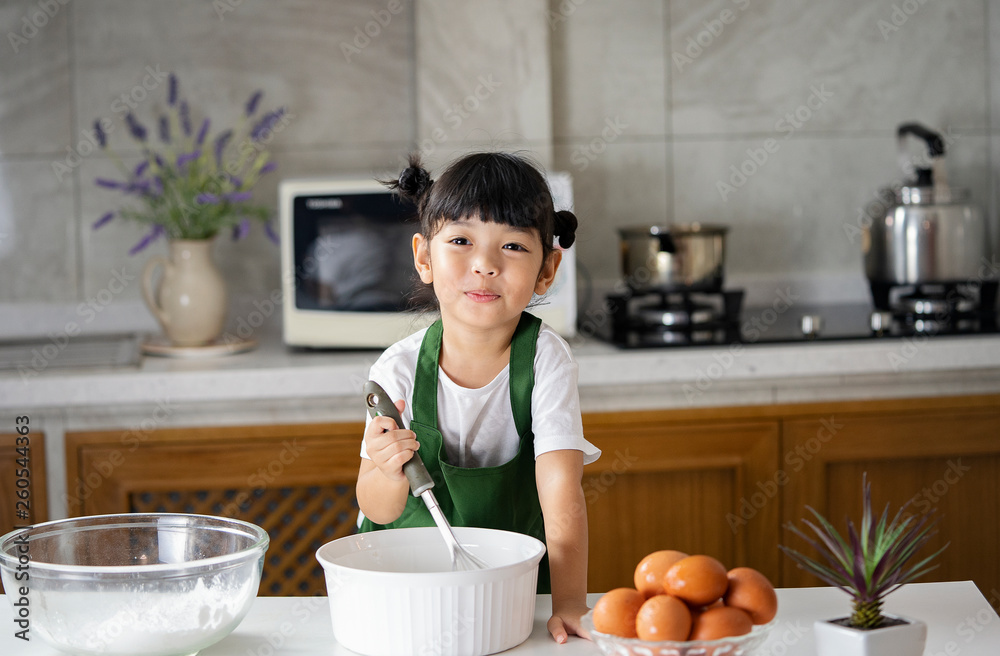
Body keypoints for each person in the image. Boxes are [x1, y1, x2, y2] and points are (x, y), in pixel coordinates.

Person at [355, 151, 601, 643]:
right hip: (407, 590)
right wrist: (386, 468)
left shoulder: (545, 361)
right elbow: (377, 510)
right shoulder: (397, 369)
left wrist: (571, 603)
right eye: (462, 241)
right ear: (425, 257)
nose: (485, 265)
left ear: (547, 269)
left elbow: (561, 492)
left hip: (510, 591)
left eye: (511, 246)